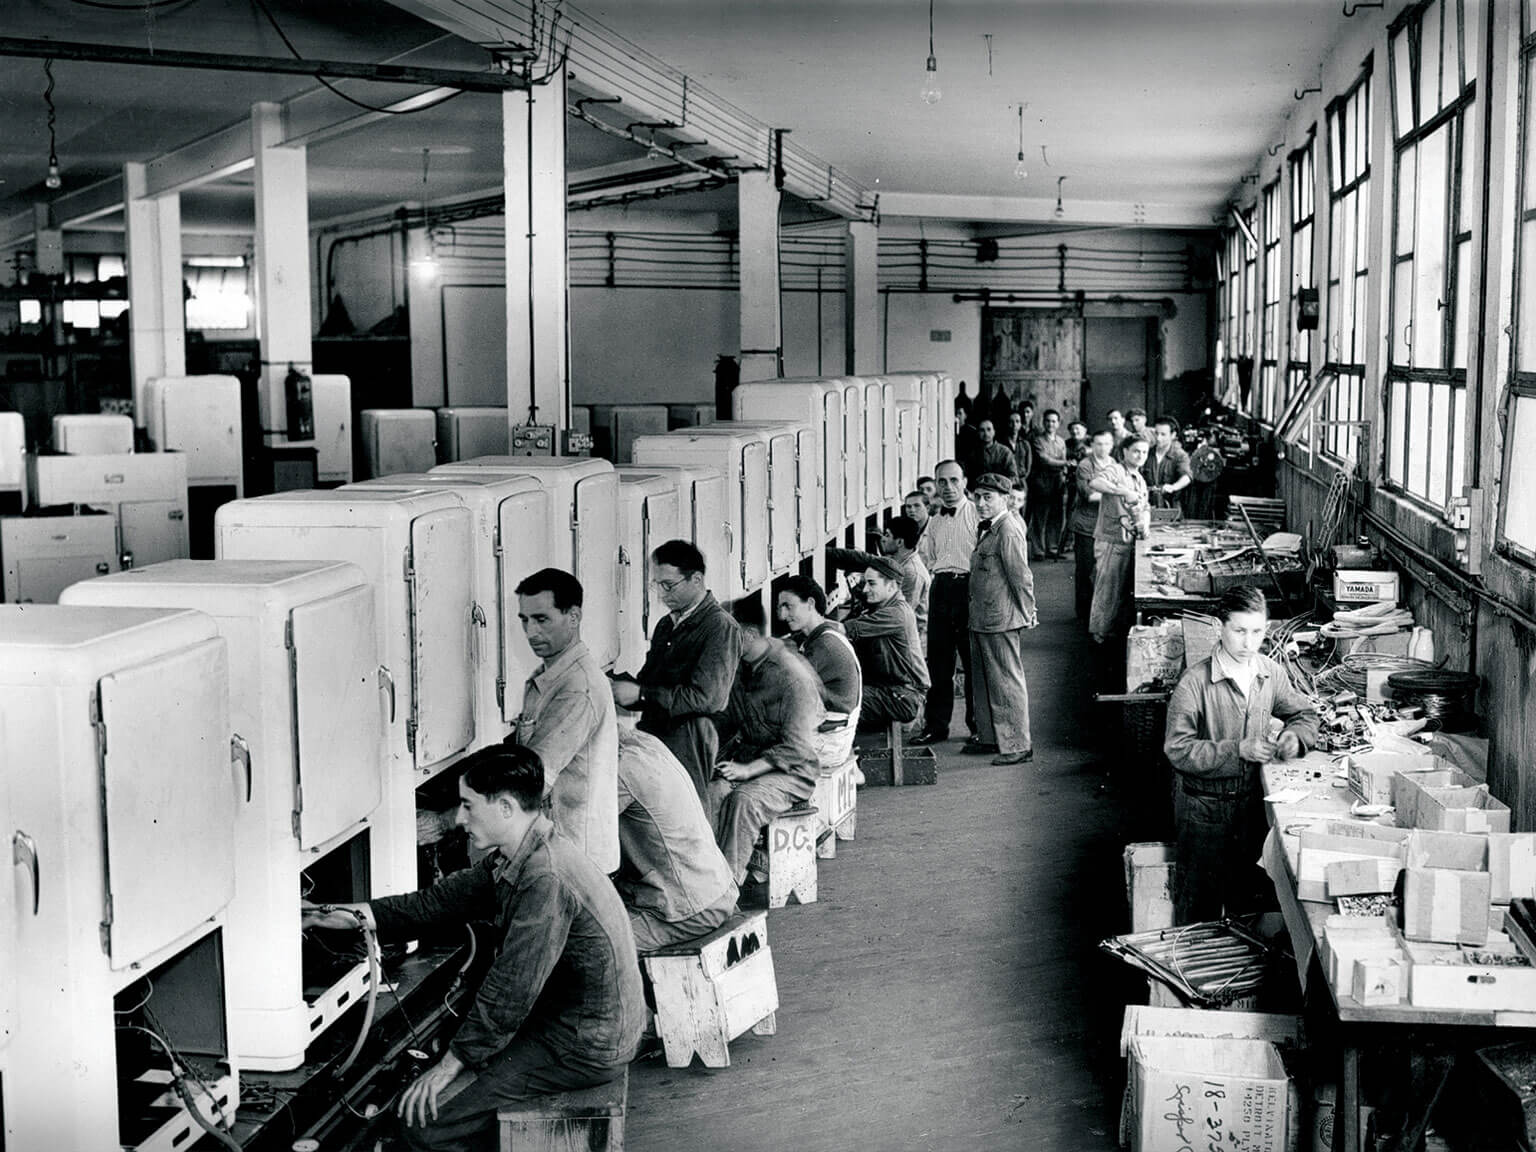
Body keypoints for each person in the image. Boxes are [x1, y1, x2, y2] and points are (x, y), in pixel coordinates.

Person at [302, 745, 644, 1152]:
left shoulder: (544, 877)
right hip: (578, 1024)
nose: (460, 819)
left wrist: (449, 1066)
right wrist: (325, 914)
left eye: (467, 806)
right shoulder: (520, 854)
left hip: (583, 1045)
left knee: (424, 1124)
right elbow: (427, 906)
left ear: (503, 807)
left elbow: (511, 991)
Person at [1164, 586, 1320, 924]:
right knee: (1198, 912)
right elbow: (1178, 749)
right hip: (1204, 812)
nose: (1249, 643)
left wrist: (1296, 737)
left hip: (1251, 809)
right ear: (1219, 628)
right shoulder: (1195, 683)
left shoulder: (1268, 673)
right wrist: (1238, 750)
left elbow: (1305, 715)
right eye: (1239, 631)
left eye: (1257, 632)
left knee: (1248, 908)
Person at [611, 539, 740, 816]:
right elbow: (649, 682)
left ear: (696, 579)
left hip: (693, 738)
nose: (661, 594)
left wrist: (641, 694)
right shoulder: (667, 624)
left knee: (688, 814)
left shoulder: (719, 626)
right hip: (657, 733)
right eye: (657, 585)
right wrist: (615, 684)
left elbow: (708, 698)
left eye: (668, 585)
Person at [710, 598, 824, 896]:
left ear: (746, 636)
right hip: (749, 760)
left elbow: (796, 748)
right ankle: (705, 883)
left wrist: (748, 770)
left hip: (793, 772)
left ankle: (726, 891)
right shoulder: (741, 668)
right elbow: (726, 719)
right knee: (712, 793)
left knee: (743, 802)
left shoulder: (791, 675)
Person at [512, 568, 619, 874]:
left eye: (541, 619)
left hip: (576, 862)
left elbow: (534, 780)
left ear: (573, 617)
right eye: (524, 620)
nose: (531, 632)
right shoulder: (551, 677)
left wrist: (449, 819)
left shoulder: (577, 687)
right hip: (564, 853)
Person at [614, 722, 740, 952]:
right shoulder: (646, 743)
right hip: (718, 889)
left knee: (590, 942)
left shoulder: (622, 768)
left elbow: (583, 839)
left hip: (691, 910)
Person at [965, 474, 1037, 765]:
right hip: (982, 615)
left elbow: (1021, 576)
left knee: (1006, 681)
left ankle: (1018, 744)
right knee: (985, 681)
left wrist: (1027, 612)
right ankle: (992, 737)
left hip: (1000, 617)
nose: (980, 503)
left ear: (1005, 499)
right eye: (978, 496)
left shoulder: (1008, 529)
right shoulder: (990, 528)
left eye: (988, 497)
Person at [913, 459, 979, 745]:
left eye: (954, 480)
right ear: (936, 486)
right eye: (942, 482)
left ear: (964, 482)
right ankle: (936, 726)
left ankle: (979, 726)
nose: (949, 487)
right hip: (940, 589)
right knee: (939, 663)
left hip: (969, 589)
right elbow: (927, 558)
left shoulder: (978, 514)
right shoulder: (935, 521)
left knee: (972, 660)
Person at [777, 575, 862, 768]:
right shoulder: (824, 632)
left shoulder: (824, 646)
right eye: (780, 607)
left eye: (788, 606)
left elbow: (783, 688)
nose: (782, 615)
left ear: (810, 603)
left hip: (829, 744)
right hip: (833, 733)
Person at [838, 555, 930, 730]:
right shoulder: (883, 607)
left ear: (892, 585)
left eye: (872, 584)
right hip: (891, 688)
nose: (865, 589)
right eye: (865, 583)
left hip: (905, 696)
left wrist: (811, 624)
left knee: (839, 700)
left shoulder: (896, 614)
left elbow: (844, 629)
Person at [1088, 435, 1151, 646]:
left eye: (1144, 452)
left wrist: (1145, 523)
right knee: (1107, 588)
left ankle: (1109, 632)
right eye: (1136, 451)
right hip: (1111, 539)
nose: (1140, 456)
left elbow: (1145, 507)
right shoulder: (1116, 470)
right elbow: (1095, 482)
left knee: (1118, 591)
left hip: (1127, 541)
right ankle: (1099, 636)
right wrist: (1122, 491)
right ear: (1124, 452)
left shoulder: (1140, 479)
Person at [1071, 430, 1118, 622]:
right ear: (1093, 445)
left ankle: (1097, 613)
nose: (1103, 448)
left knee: (1103, 571)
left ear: (1112, 445)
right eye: (1098, 444)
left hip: (1107, 525)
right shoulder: (1085, 466)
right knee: (1085, 570)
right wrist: (1117, 492)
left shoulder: (1114, 464)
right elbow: (1089, 495)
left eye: (1106, 444)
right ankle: (1082, 614)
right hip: (1086, 525)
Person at [1027, 409, 1070, 560]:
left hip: (1058, 481)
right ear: (1043, 422)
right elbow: (1044, 459)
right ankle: (1038, 550)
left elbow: (1062, 463)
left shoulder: (1061, 441)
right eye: (1048, 421)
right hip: (1042, 481)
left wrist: (1064, 472)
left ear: (1058, 424)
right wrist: (1064, 463)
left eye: (1053, 421)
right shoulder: (1038, 440)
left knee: (1056, 516)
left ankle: (1052, 548)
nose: (1050, 424)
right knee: (1040, 517)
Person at [1144, 416, 1193, 513]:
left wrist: (1173, 487)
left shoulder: (1180, 455)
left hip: (1171, 509)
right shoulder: (1146, 453)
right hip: (1148, 507)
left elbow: (1187, 476)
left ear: (1173, 435)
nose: (1158, 438)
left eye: (1163, 434)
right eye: (1156, 433)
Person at [963, 418, 1018, 484]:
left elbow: (1014, 477)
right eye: (982, 430)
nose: (986, 433)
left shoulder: (1005, 452)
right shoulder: (973, 454)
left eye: (989, 429)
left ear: (994, 432)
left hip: (1000, 491)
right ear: (978, 433)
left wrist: (1000, 484)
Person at [1187, 431, 1225, 521]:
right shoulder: (1202, 450)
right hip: (1198, 479)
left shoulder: (1213, 452)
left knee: (1205, 505)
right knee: (1195, 504)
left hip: (1209, 480)